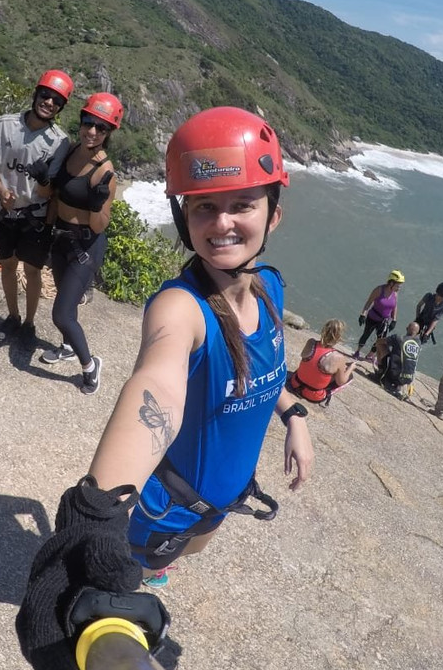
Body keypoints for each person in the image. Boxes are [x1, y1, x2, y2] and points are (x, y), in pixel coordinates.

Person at [90, 106, 313, 588]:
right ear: (183, 214)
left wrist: (294, 416)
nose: (222, 223)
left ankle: (158, 567)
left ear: (273, 214)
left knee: (194, 547)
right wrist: (95, 512)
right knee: (137, 572)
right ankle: (146, 574)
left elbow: (265, 372)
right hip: (169, 504)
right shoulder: (180, 308)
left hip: (223, 498)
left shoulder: (270, 289)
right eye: (205, 206)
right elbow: (156, 387)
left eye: (242, 204)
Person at [39, 92, 123, 395]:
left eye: (101, 128)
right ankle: (66, 346)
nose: (92, 131)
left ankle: (89, 367)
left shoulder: (105, 172)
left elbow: (100, 225)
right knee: (65, 299)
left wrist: (98, 202)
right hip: (59, 237)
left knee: (61, 313)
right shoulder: (73, 149)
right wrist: (45, 228)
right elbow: (57, 196)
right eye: (88, 122)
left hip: (84, 247)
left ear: (108, 133)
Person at [0, 70, 73, 342]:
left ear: (60, 107)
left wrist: (44, 178)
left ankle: (30, 323)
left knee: (32, 271)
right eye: (45, 95)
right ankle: (13, 316)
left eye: (57, 101)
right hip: (4, 211)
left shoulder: (59, 141)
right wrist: (0, 190)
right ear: (36, 94)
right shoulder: (5, 125)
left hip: (34, 215)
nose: (49, 103)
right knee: (8, 265)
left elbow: (51, 191)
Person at [286, 318, 355, 405]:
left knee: (311, 364)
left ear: (324, 330)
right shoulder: (338, 357)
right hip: (314, 395)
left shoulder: (311, 342)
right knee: (348, 376)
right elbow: (341, 382)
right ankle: (325, 392)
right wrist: (351, 368)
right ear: (339, 337)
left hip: (295, 383)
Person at [353, 270, 405, 362]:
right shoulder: (379, 290)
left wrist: (394, 320)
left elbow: (394, 306)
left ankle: (370, 355)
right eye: (398, 285)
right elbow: (369, 302)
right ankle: (358, 351)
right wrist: (363, 314)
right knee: (366, 335)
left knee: (380, 340)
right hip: (373, 317)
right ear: (391, 283)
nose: (399, 287)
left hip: (384, 321)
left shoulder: (395, 294)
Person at [375, 321, 421, 397]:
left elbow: (380, 341)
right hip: (408, 379)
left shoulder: (398, 338)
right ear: (418, 333)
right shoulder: (418, 343)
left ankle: (381, 372)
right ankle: (399, 385)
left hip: (394, 375)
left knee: (380, 345)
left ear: (407, 328)